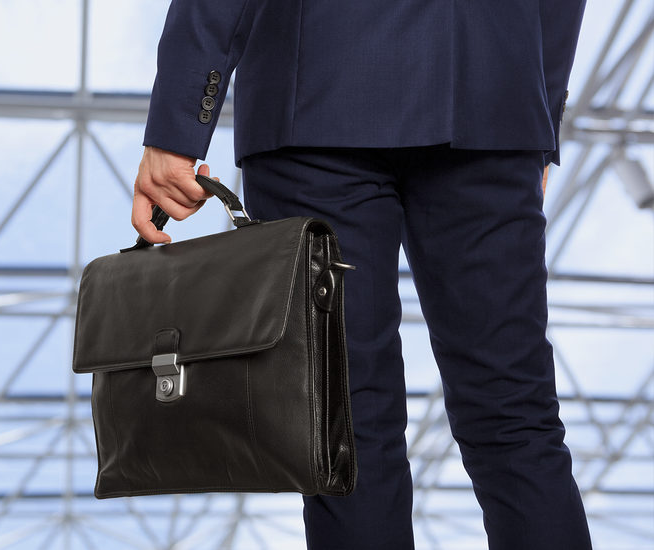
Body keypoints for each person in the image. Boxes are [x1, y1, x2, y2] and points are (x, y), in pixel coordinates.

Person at [131, 1, 593, 548]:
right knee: (514, 413)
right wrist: (537, 110)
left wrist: (180, 122)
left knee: (343, 422)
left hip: (315, 93)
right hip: (492, 96)